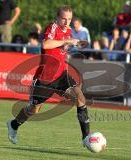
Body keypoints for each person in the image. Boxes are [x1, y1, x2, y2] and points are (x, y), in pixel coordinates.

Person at [7, 5, 90, 145]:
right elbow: (46, 44)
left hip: (62, 74)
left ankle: (86, 137)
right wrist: (67, 42)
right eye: (63, 19)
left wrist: (74, 44)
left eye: (69, 19)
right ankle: (14, 125)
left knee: (80, 96)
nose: (66, 22)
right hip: (45, 78)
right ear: (57, 18)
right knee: (34, 109)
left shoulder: (68, 30)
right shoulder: (52, 27)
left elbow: (61, 49)